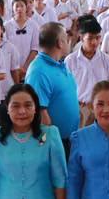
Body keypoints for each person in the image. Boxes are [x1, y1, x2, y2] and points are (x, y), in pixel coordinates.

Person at [24, 23, 80, 155]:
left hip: (69, 139)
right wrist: (51, 145)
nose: (68, 41)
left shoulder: (59, 64)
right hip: (54, 144)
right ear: (60, 43)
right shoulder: (38, 71)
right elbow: (40, 112)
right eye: (66, 38)